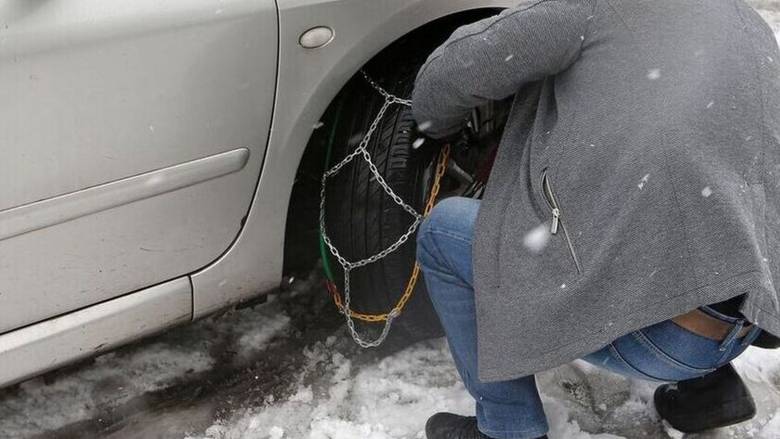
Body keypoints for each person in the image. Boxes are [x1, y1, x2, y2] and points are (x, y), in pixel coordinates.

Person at [410, 0, 780, 438]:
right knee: (690, 173)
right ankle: (710, 391)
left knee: (442, 233)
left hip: (660, 336)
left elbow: (453, 73)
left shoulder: (592, 7)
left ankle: (507, 427)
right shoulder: (745, 20)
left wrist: (435, 128)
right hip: (752, 314)